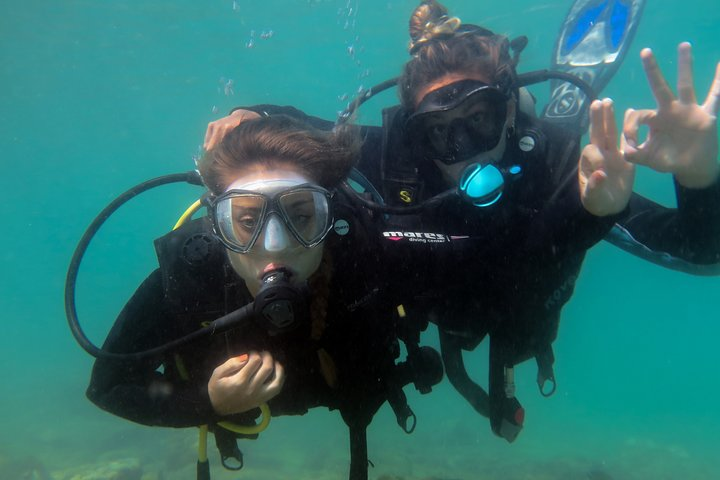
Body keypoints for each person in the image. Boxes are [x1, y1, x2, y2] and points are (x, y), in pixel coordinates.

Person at [204, 0, 720, 443]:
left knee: (559, 156)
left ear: (508, 113)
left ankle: (559, 115)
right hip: (448, 314)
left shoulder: (578, 176)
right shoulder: (394, 159)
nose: (463, 150)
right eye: (439, 133)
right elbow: (313, 133)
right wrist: (252, 113)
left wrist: (700, 177)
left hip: (527, 307)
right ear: (414, 134)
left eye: (481, 120)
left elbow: (702, 249)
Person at [85, 115, 442, 480]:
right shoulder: (191, 275)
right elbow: (106, 386)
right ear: (217, 223)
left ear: (329, 215)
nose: (275, 245)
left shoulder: (364, 253)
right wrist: (207, 403)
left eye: (301, 215)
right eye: (247, 220)